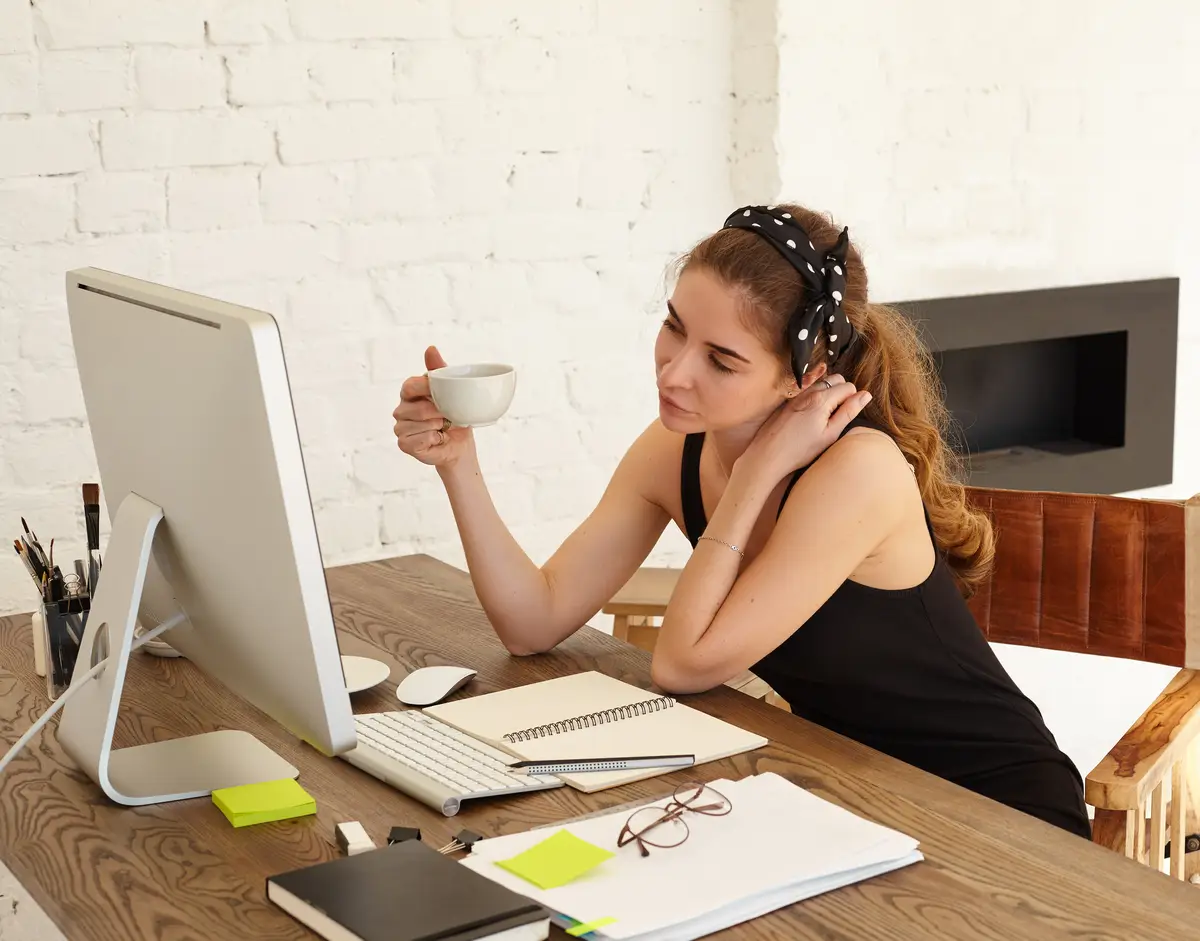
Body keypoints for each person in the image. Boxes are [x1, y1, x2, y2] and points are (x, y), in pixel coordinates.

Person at [392, 203, 1092, 839]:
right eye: (674, 327)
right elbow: (533, 621)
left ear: (804, 374)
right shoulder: (673, 449)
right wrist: (459, 463)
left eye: (721, 360)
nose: (674, 373)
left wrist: (754, 475)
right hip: (854, 790)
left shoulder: (857, 470)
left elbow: (681, 663)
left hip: (997, 810)